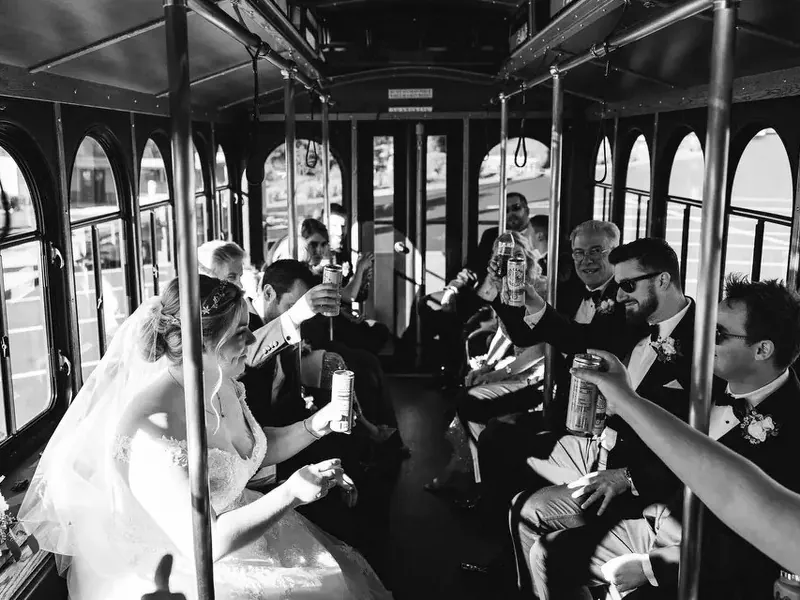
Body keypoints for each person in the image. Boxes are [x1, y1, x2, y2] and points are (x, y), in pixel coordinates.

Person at [18, 275, 392, 600]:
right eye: (239, 332)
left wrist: (317, 425)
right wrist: (291, 492)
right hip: (187, 566)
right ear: (199, 343)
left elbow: (255, 450)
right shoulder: (155, 424)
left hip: (240, 526)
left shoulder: (222, 382)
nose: (251, 339)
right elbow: (205, 543)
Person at [542, 276, 800, 599]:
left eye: (717, 335)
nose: (702, 341)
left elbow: (755, 546)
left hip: (704, 566)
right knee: (548, 555)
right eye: (706, 328)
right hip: (659, 516)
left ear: (762, 350)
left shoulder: (791, 430)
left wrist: (651, 566)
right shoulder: (706, 378)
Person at [479, 238, 713, 592]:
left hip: (645, 482)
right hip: (602, 449)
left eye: (628, 286)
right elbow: (576, 337)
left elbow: (700, 441)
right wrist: (533, 301)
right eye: (618, 287)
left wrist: (627, 476)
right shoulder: (634, 318)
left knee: (535, 522)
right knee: (519, 499)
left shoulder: (706, 345)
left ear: (663, 280)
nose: (618, 297)